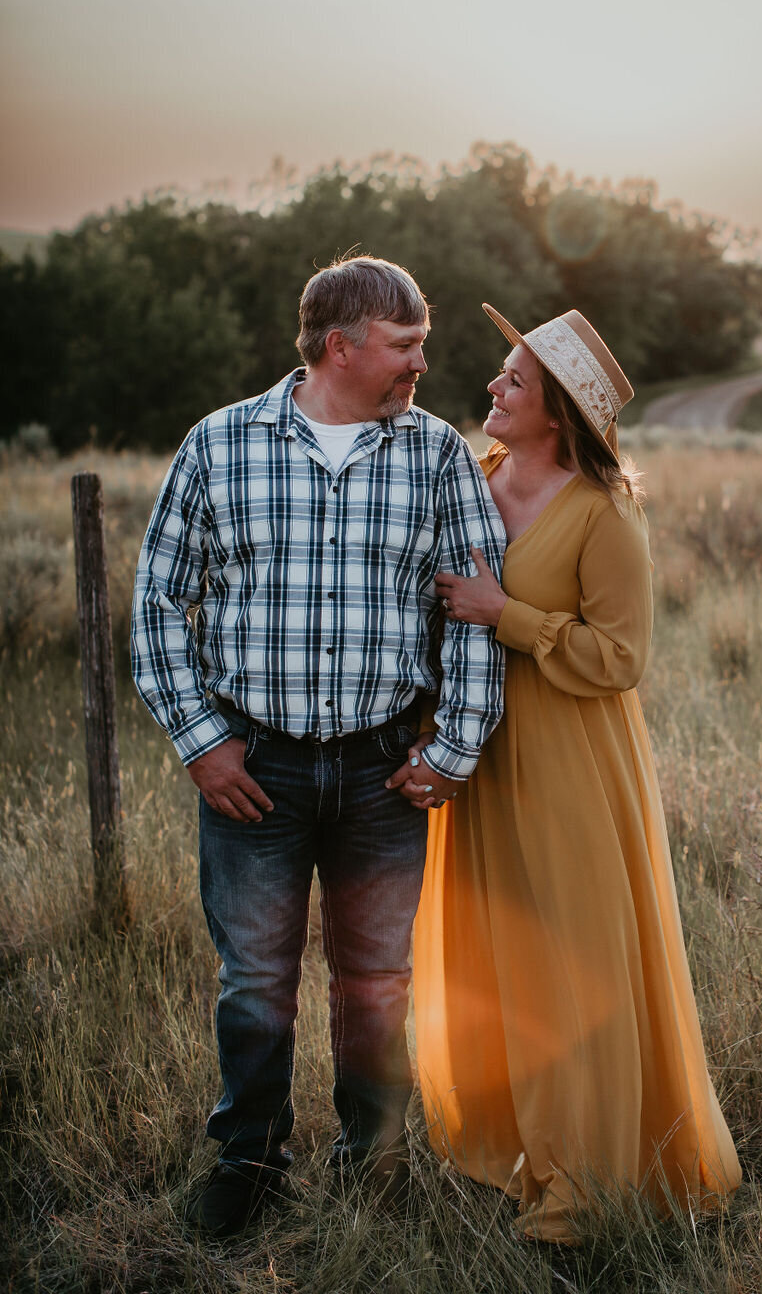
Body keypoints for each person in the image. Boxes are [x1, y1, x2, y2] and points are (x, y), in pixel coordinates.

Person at [131, 257, 505, 1236]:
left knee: (378, 980)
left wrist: (453, 750)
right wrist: (202, 742)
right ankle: (250, 1161)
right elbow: (157, 603)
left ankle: (368, 1160)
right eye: (406, 345)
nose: (424, 363)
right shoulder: (221, 446)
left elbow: (474, 613)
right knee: (256, 978)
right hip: (254, 766)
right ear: (341, 346)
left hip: (387, 769)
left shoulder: (436, 455)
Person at [391, 304, 742, 1243]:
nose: (494, 388)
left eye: (515, 380)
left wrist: (506, 614)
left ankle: (581, 1192)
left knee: (568, 965)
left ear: (559, 414)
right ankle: (518, 1151)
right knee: (499, 956)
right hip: (482, 757)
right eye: (501, 375)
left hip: (571, 764)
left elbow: (620, 659)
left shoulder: (603, 513)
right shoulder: (477, 474)